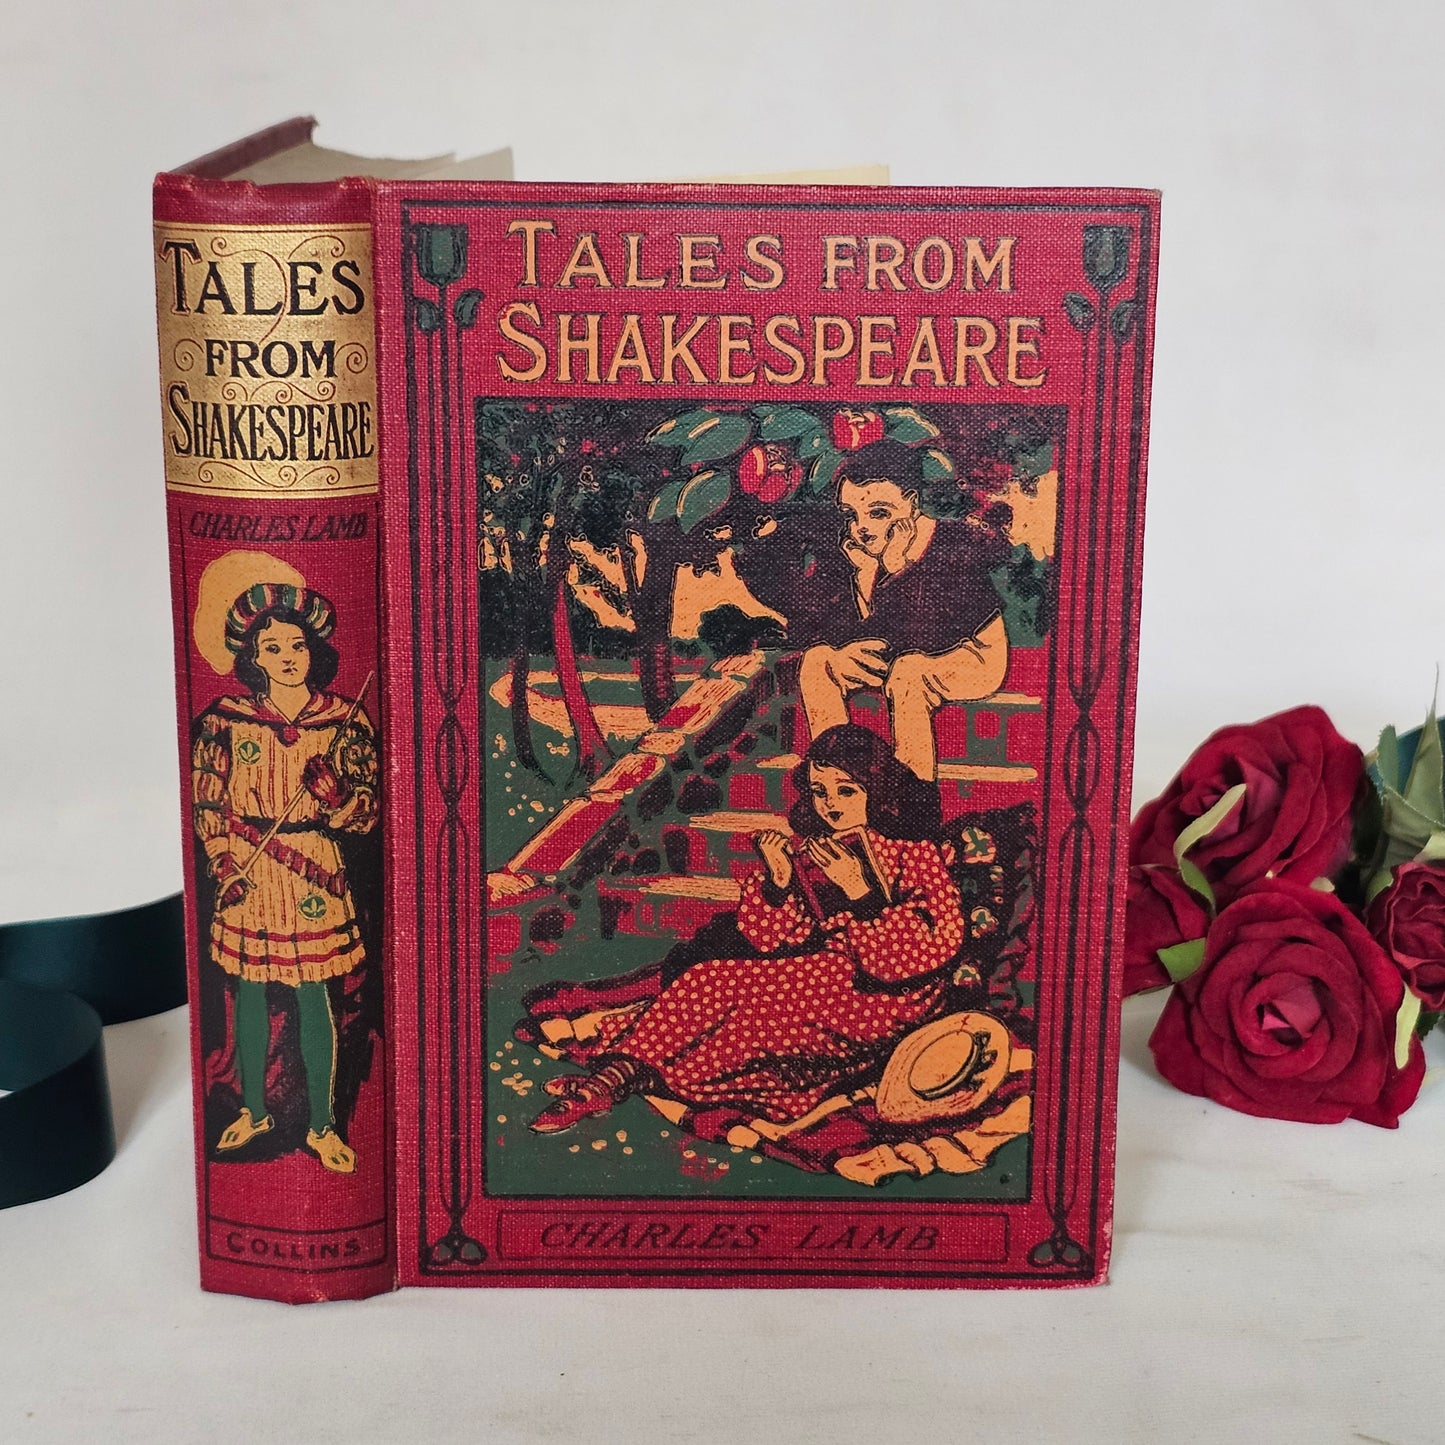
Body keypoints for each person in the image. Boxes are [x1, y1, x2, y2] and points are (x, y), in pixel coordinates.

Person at [527, 724, 964, 1134]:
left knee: (754, 1020)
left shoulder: (914, 854)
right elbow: (773, 941)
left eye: (846, 791)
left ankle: (622, 1080)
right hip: (821, 972)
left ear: (876, 789)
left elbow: (932, 946)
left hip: (889, 997)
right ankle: (613, 1078)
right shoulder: (818, 848)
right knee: (707, 980)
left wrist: (859, 892)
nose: (831, 804)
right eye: (820, 791)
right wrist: (778, 883)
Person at [192, 583, 378, 1173]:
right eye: (272, 648)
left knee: (314, 993)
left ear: (312, 649)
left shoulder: (343, 720)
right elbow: (209, 803)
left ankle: (322, 1127)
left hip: (313, 869)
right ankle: (254, 1111)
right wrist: (224, 864)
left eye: (297, 645)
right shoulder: (225, 720)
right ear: (253, 657)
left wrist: (338, 796)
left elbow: (370, 813)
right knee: (248, 990)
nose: (288, 657)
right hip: (248, 866)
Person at [798, 440, 1010, 782]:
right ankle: (836, 778)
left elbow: (928, 634)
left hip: (972, 655)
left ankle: (911, 800)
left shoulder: (949, 543)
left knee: (909, 673)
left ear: (911, 503)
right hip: (902, 651)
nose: (862, 527)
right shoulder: (861, 551)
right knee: (817, 662)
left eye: (879, 513)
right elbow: (855, 628)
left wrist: (897, 569)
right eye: (852, 515)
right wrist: (865, 578)